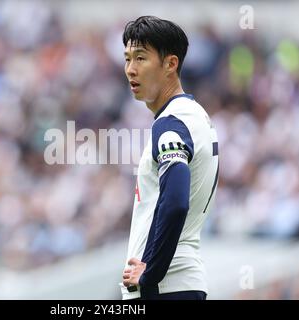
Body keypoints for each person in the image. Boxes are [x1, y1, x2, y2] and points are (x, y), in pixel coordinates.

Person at [120, 16, 219, 300]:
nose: (130, 70)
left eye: (141, 58)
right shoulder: (195, 116)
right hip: (182, 283)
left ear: (170, 63)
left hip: (166, 288)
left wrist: (151, 272)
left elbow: (175, 203)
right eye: (127, 59)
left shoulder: (171, 123)